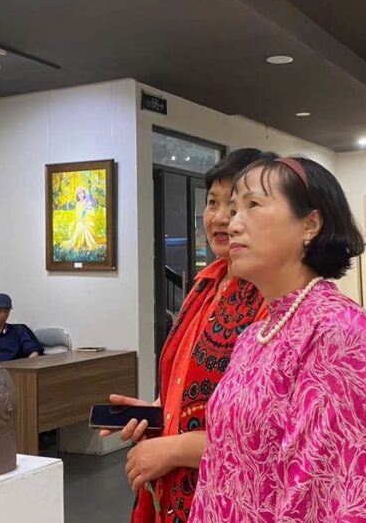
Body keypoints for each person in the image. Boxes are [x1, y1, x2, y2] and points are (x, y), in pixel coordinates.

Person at [188, 156, 366, 522]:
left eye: (253, 205)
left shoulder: (338, 331)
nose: (232, 224)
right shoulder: (255, 336)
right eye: (233, 211)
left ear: (310, 224)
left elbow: (326, 497)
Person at [102, 149, 270, 523]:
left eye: (237, 205)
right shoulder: (205, 283)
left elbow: (265, 433)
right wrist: (156, 413)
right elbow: (185, 381)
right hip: (176, 489)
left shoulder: (269, 295)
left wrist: (172, 449)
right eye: (212, 203)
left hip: (226, 495)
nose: (221, 217)